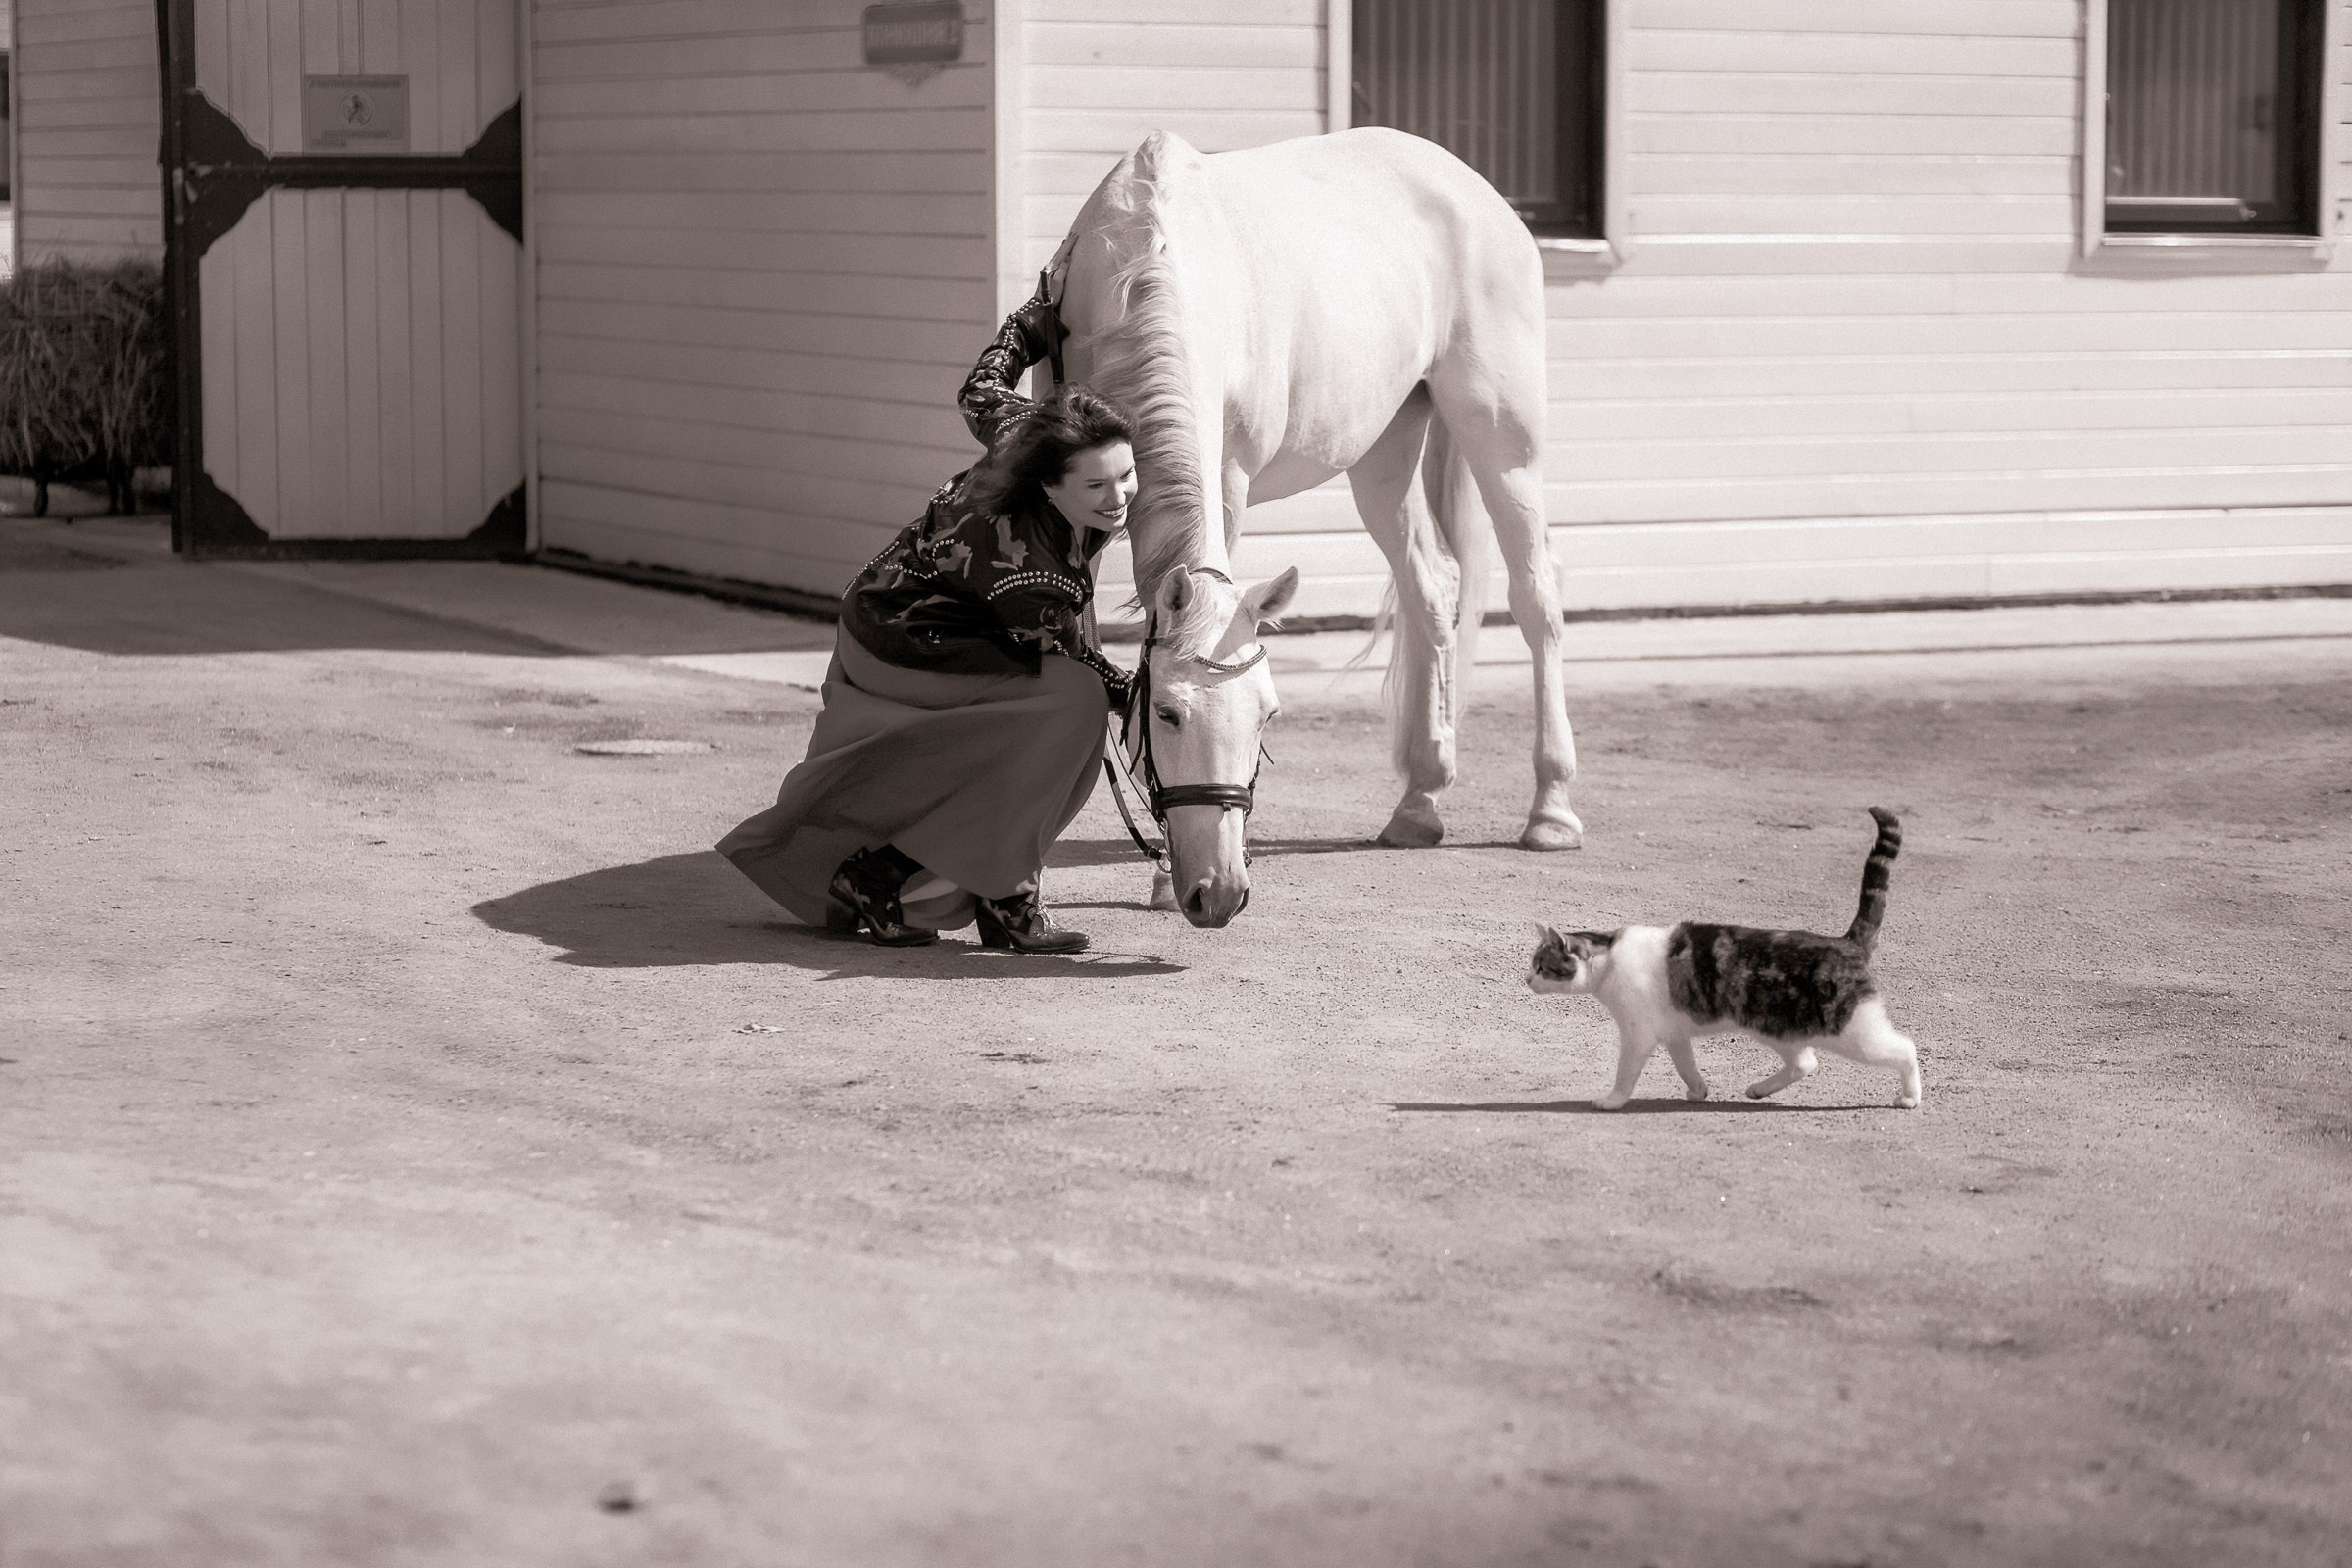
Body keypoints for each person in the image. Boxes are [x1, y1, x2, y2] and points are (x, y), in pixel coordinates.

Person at [716, 281, 1138, 954]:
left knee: (1067, 718)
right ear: (1048, 486)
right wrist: (1139, 694)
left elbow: (982, 386)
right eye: (1096, 486)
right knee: (1075, 708)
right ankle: (892, 878)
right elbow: (1071, 657)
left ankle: (995, 893)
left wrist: (1028, 329)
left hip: (915, 611)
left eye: (1126, 475)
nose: (1119, 499)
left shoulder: (1025, 433)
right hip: (906, 642)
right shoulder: (1027, 567)